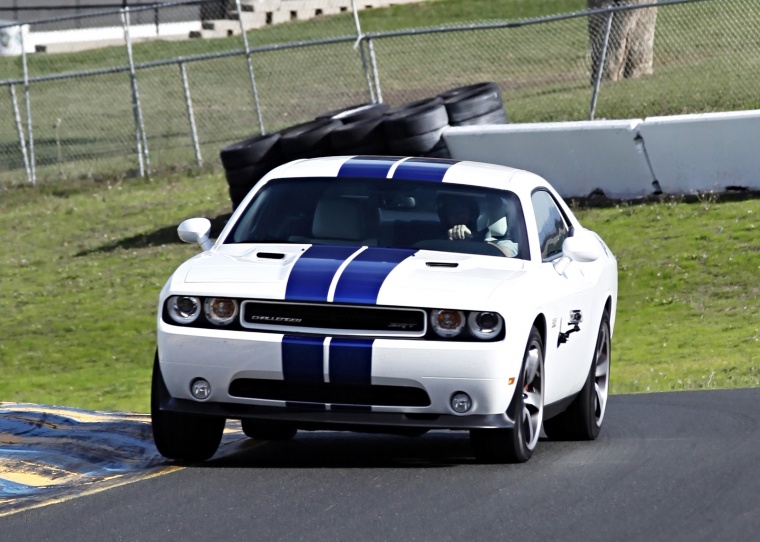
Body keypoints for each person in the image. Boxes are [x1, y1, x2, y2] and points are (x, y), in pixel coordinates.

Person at [436, 193, 519, 257]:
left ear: (473, 213)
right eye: (451, 212)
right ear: (445, 216)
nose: (457, 215)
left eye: (462, 211)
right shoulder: (436, 241)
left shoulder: (499, 243)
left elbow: (508, 255)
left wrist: (472, 240)